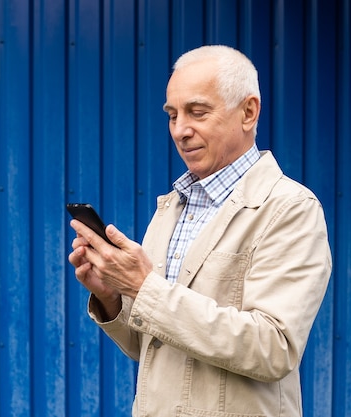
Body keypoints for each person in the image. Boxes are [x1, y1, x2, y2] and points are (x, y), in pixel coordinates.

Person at [68, 44, 332, 417]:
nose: (180, 130)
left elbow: (273, 348)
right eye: (172, 115)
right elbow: (154, 346)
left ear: (248, 112)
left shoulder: (289, 209)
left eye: (197, 112)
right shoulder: (174, 206)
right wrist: (114, 297)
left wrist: (145, 288)